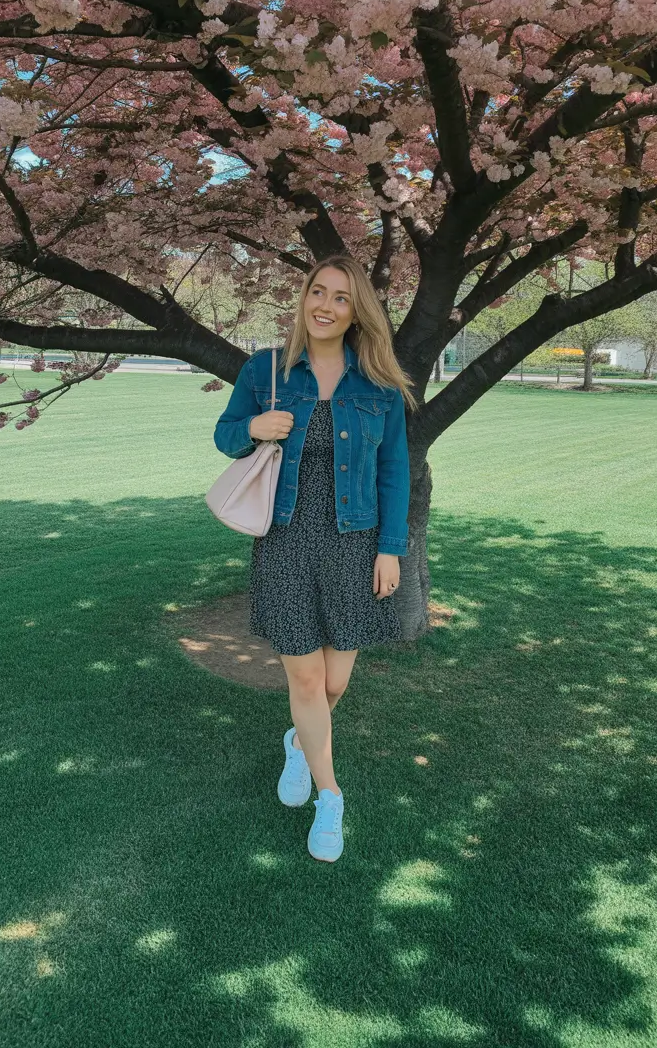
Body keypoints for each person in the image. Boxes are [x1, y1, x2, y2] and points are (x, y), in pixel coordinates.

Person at [213, 254, 416, 863]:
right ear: (303, 298)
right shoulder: (268, 370)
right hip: (285, 539)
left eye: (341, 299)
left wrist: (390, 549)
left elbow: (394, 472)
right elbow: (225, 435)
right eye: (317, 292)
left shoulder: (378, 387)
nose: (325, 306)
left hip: (354, 543)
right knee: (303, 676)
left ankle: (300, 743)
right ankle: (331, 798)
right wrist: (257, 425)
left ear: (358, 314)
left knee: (334, 681)